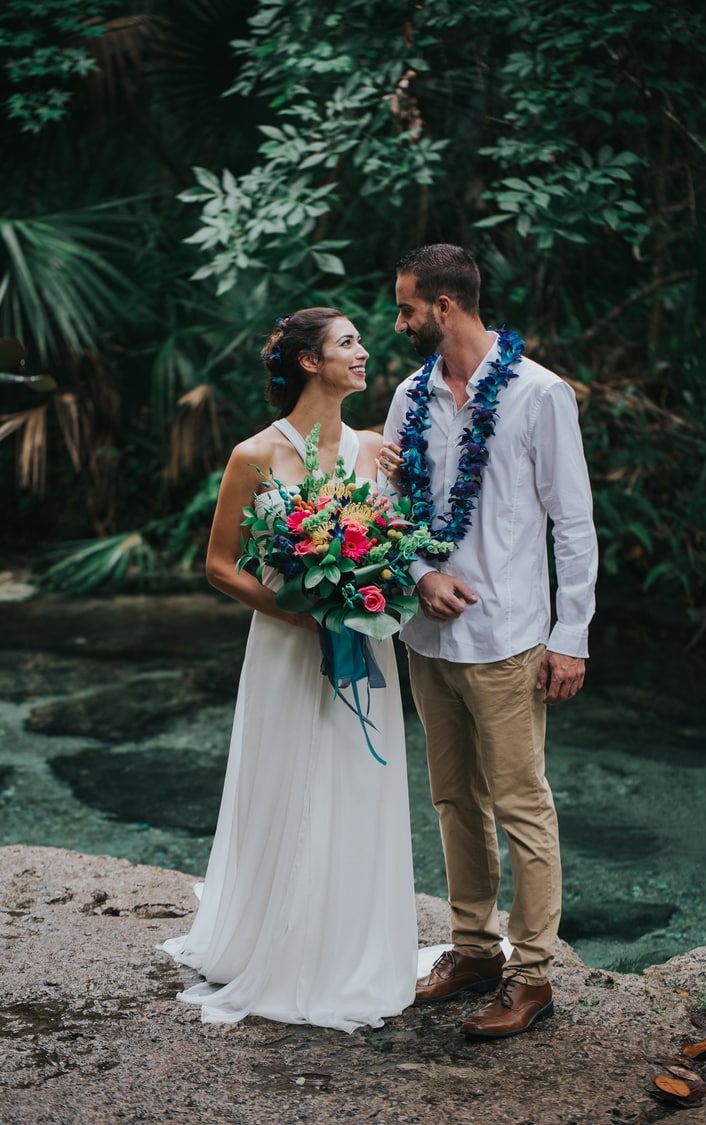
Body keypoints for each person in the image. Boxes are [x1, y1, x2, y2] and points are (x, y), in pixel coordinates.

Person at [160, 307, 418, 1031]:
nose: (364, 352)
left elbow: (395, 543)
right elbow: (217, 566)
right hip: (286, 643)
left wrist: (378, 580)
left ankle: (352, 946)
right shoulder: (253, 455)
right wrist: (297, 611)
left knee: (357, 783)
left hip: (362, 642)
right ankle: (273, 941)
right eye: (347, 342)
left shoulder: (376, 450)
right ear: (309, 361)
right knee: (285, 779)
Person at [380, 245, 598, 1040]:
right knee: (452, 799)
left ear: (444, 306)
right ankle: (472, 948)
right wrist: (418, 573)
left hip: (509, 637)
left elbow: (573, 524)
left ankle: (532, 973)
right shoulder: (410, 396)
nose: (398, 322)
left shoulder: (539, 395)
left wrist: (568, 637)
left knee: (521, 804)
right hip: (427, 635)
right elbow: (388, 505)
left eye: (406, 307)